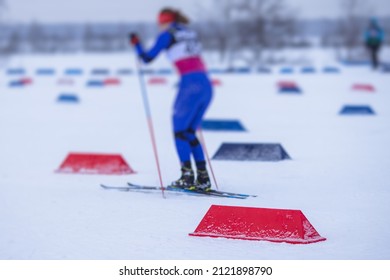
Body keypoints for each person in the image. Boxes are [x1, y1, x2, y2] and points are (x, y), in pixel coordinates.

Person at [129, 8, 213, 191]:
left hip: (190, 85)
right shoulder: (189, 32)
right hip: (206, 85)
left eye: (160, 23)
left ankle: (187, 177)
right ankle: (203, 177)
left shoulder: (168, 34)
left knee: (179, 132)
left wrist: (136, 44)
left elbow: (147, 58)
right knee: (189, 132)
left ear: (164, 21)